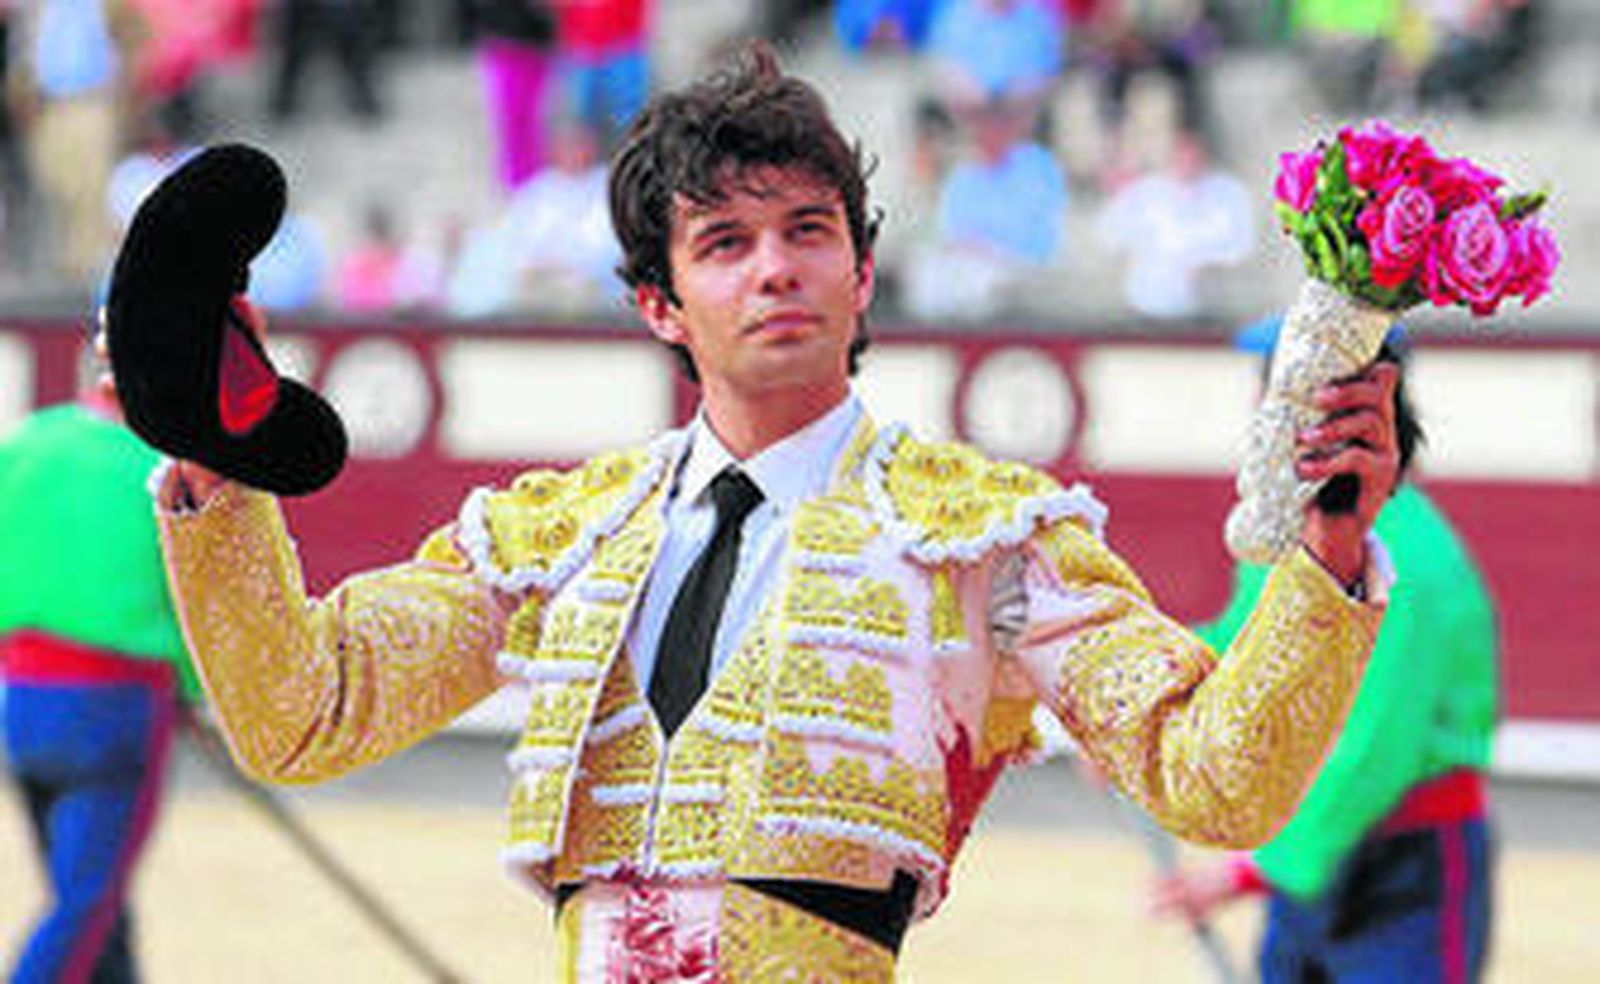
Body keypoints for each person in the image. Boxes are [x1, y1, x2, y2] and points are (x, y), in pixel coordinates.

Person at [151, 43, 1399, 979]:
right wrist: (219, 468)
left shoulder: (979, 540)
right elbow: (300, 715)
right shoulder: (559, 536)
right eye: (725, 242)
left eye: (808, 230)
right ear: (659, 303)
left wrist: (1324, 565)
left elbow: (1215, 777)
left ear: (862, 275)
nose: (775, 267)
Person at [1152, 325, 1498, 983]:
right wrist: (1138, 699)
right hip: (1314, 848)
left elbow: (1370, 749)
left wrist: (1251, 871)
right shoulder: (1300, 537)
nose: (1264, 416)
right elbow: (1241, 645)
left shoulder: (1411, 562)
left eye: (1284, 396)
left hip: (1400, 867)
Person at [1, 317, 203, 983]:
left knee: (93, 896)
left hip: (22, 702)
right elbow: (192, 603)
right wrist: (199, 695)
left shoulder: (31, 441)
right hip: (118, 707)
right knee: (86, 902)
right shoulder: (161, 471)